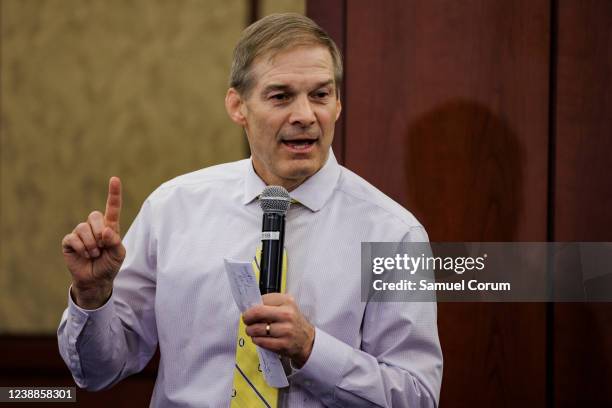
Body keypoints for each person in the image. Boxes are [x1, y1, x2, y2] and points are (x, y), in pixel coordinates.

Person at [58, 13, 443, 407]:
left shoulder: (395, 235)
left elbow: (417, 396)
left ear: (338, 104)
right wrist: (93, 296)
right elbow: (96, 371)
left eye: (320, 95)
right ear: (237, 106)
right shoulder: (172, 210)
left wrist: (311, 349)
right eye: (281, 96)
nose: (305, 116)